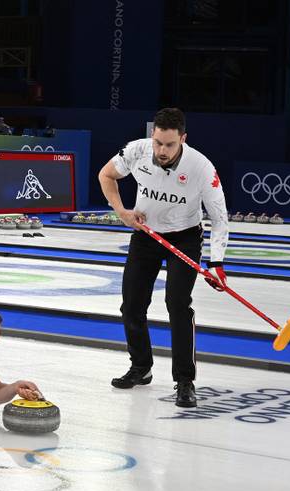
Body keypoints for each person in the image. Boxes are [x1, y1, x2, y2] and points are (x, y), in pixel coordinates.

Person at [97, 107, 229, 408]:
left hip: (184, 236)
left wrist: (217, 263)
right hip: (146, 234)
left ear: (183, 138)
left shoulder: (202, 169)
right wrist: (122, 212)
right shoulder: (137, 151)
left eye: (169, 144)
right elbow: (106, 175)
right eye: (157, 142)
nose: (162, 150)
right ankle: (141, 367)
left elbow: (220, 218)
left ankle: (185, 380)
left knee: (177, 305)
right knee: (132, 304)